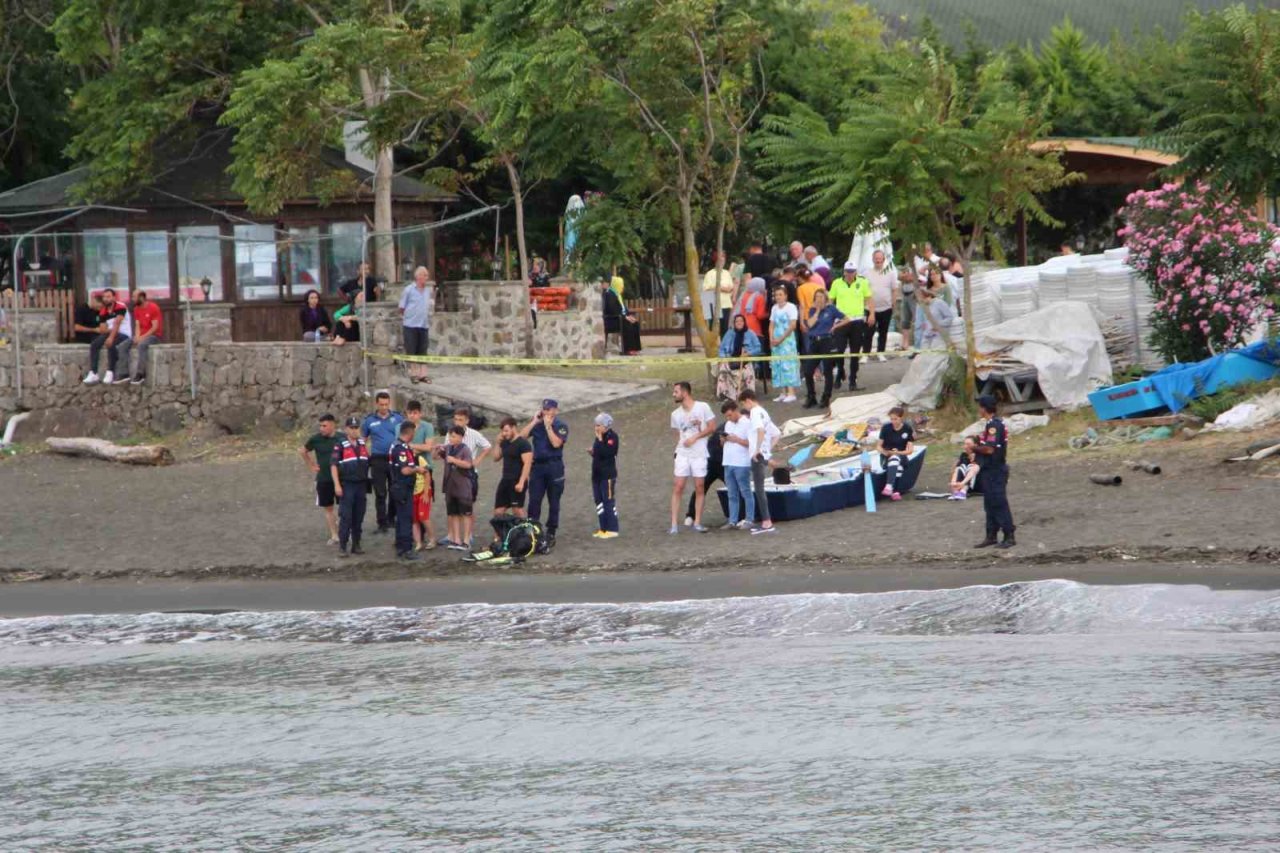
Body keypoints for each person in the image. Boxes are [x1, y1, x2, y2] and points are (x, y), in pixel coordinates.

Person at [669, 381, 717, 534]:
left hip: (699, 453)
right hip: (683, 453)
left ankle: (697, 522)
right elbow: (679, 435)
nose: (674, 394)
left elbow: (712, 427)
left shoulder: (703, 407)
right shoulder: (675, 414)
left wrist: (696, 437)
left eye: (676, 391)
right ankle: (674, 524)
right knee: (678, 486)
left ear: (685, 392)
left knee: (699, 487)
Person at [521, 399, 569, 542]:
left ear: (555, 410)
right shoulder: (537, 424)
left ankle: (551, 531)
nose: (546, 412)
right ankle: (532, 528)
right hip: (538, 467)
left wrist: (548, 427)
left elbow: (556, 443)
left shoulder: (561, 426)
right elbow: (521, 437)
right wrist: (534, 422)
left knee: (554, 500)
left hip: (554, 465)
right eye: (545, 409)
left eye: (549, 409)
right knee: (534, 499)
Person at [973, 395, 1016, 549]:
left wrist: (973, 448)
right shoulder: (991, 424)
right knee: (989, 503)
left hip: (995, 469)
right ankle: (991, 534)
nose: (978, 409)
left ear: (985, 408)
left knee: (998, 502)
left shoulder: (994, 425)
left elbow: (990, 449)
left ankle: (1009, 534)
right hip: (989, 469)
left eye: (980, 406)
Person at [361, 391, 405, 535]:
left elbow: (405, 436)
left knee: (394, 490)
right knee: (380, 492)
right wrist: (365, 455)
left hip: (394, 458)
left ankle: (392, 518)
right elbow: (363, 439)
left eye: (386, 404)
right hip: (377, 459)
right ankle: (382, 523)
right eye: (381, 404)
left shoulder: (398, 418)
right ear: (376, 404)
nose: (384, 407)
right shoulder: (369, 421)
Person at [453, 407, 494, 548]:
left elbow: (488, 446)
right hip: (454, 475)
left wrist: (478, 459)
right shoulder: (451, 434)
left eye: (461, 420)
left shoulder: (474, 434)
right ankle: (455, 537)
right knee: (455, 507)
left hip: (469, 475)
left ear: (467, 421)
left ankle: (468, 536)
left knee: (468, 507)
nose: (457, 422)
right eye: (456, 419)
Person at [738, 389, 777, 534]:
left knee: (759, 488)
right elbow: (776, 433)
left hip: (757, 455)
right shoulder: (763, 412)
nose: (745, 408)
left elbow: (760, 430)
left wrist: (758, 449)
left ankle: (767, 521)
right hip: (763, 454)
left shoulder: (754, 412)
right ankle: (766, 520)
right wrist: (767, 449)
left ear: (748, 400)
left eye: (744, 404)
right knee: (759, 487)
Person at [828, 262, 872, 391]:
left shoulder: (862, 282)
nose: (850, 274)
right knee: (839, 350)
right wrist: (831, 318)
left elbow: (869, 299)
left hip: (857, 320)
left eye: (852, 271)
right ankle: (840, 373)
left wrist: (872, 314)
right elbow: (830, 301)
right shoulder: (836, 283)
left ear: (856, 272)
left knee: (855, 352)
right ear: (844, 271)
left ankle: (853, 379)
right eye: (848, 271)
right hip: (841, 321)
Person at [801, 290, 849, 409]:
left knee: (827, 371)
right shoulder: (812, 310)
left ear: (825, 298)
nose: (818, 299)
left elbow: (847, 319)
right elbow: (810, 325)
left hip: (827, 341)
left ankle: (826, 397)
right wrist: (817, 311)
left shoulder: (831, 309)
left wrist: (835, 326)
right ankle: (811, 396)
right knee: (808, 371)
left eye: (821, 297)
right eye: (816, 297)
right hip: (814, 342)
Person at [330, 415, 370, 557]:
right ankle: (342, 546)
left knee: (358, 516)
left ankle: (356, 545)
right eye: (351, 428)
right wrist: (337, 485)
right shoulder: (340, 445)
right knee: (346, 516)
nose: (354, 430)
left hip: (361, 485)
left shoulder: (362, 444)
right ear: (346, 429)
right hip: (347, 485)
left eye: (356, 427)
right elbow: (333, 466)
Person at [299, 413, 341, 545]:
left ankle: (346, 532)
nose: (321, 428)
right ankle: (334, 535)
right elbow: (302, 451)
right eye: (320, 426)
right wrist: (311, 465)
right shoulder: (316, 439)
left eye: (324, 426)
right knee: (328, 509)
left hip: (341, 479)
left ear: (333, 425)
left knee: (345, 507)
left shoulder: (342, 438)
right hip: (324, 479)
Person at [404, 401, 437, 550]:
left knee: (423, 514)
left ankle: (431, 539)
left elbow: (428, 447)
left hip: (424, 474)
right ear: (406, 413)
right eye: (410, 412)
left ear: (420, 413)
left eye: (415, 412)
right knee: (414, 516)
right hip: (408, 474)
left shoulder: (427, 427)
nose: (413, 415)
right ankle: (418, 541)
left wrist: (411, 447)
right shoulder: (401, 426)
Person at [82, 288, 132, 385]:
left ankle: (110, 372)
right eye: (104, 297)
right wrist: (109, 333)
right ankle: (93, 372)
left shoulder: (120, 306)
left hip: (124, 334)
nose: (106, 299)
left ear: (114, 297)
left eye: (108, 297)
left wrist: (110, 337)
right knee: (95, 344)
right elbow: (102, 329)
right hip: (111, 332)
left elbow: (117, 324)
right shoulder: (103, 311)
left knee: (111, 344)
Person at [388, 421, 423, 561]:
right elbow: (405, 470)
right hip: (402, 486)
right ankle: (406, 549)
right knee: (406, 517)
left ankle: (400, 546)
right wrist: (417, 469)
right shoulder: (401, 448)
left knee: (401, 517)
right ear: (410, 432)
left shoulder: (398, 445)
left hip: (399, 486)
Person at [437, 425, 476, 551]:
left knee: (465, 514)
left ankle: (466, 541)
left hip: (463, 486)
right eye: (450, 436)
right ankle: (456, 539)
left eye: (453, 436)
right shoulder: (448, 448)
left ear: (461, 437)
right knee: (453, 514)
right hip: (450, 486)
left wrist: (454, 460)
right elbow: (435, 456)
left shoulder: (465, 450)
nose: (451, 439)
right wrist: (436, 448)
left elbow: (468, 464)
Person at [719, 401, 755, 530]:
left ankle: (750, 518)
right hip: (728, 461)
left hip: (742, 462)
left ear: (735, 410)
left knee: (745, 491)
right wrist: (723, 440)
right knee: (731, 493)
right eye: (726, 416)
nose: (728, 418)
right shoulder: (728, 424)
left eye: (730, 415)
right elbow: (724, 444)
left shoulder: (747, 423)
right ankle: (732, 520)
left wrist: (736, 440)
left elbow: (751, 443)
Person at [716, 313, 762, 402]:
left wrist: (748, 353)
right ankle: (726, 395)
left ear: (744, 322)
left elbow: (758, 347)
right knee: (723, 370)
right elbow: (721, 349)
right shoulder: (729, 333)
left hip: (745, 360)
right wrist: (723, 358)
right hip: (730, 359)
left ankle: (747, 395)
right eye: (737, 321)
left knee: (748, 372)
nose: (739, 323)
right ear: (734, 323)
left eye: (741, 321)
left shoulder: (750, 333)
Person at [494, 417, 533, 519]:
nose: (504, 433)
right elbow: (496, 457)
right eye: (502, 431)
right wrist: (497, 443)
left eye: (506, 431)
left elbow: (527, 464)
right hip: (505, 479)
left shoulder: (523, 444)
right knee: (499, 511)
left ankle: (525, 532)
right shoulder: (505, 442)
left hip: (517, 480)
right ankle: (499, 535)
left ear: (514, 428)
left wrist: (521, 482)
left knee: (517, 510)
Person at [399, 266, 432, 383]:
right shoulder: (408, 290)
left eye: (427, 275)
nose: (427, 278)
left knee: (423, 349)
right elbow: (402, 307)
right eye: (425, 275)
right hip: (410, 325)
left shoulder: (428, 291)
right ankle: (414, 374)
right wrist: (409, 317)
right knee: (411, 349)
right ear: (418, 276)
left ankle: (423, 375)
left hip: (423, 324)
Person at [590, 413, 620, 538]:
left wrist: (600, 441)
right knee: (599, 502)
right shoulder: (598, 437)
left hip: (607, 475)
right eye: (596, 425)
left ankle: (613, 529)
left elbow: (608, 452)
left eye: (599, 425)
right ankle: (603, 528)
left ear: (606, 425)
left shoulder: (612, 437)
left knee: (608, 501)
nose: (596, 428)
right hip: (596, 475)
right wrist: (592, 452)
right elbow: (598, 452)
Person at [769, 285, 800, 403]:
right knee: (778, 364)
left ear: (786, 296)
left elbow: (793, 325)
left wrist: (781, 338)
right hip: (776, 339)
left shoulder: (791, 307)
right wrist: (772, 338)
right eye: (776, 295)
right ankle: (782, 391)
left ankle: (791, 392)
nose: (778, 297)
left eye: (780, 295)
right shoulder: (774, 308)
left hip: (787, 340)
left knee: (788, 364)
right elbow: (771, 324)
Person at [877, 406, 915, 502]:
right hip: (886, 457)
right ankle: (895, 492)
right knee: (898, 465)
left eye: (896, 419)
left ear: (901, 418)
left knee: (895, 458)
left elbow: (910, 451)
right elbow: (878, 446)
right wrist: (885, 452)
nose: (893, 421)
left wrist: (897, 452)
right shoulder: (886, 428)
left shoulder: (907, 428)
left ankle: (889, 486)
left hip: (901, 456)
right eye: (891, 419)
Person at [864, 250, 897, 361]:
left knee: (883, 332)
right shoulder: (867, 273)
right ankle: (865, 354)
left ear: (883, 259)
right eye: (876, 258)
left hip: (886, 308)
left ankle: (881, 353)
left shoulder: (891, 273)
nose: (878, 260)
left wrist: (893, 303)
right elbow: (864, 291)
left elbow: (894, 289)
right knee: (868, 332)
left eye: (880, 258)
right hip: (870, 309)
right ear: (873, 259)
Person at [126, 290, 162, 385]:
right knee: (123, 345)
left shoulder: (153, 307)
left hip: (153, 336)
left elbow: (155, 327)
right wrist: (137, 337)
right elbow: (137, 325)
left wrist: (142, 338)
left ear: (141, 297)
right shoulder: (136, 309)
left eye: (134, 296)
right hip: (141, 335)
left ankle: (140, 373)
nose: (132, 299)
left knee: (142, 345)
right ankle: (123, 374)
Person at [602, 278, 642, 355]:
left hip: (619, 318)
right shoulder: (609, 294)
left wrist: (628, 315)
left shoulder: (617, 294)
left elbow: (623, 308)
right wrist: (625, 317)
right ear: (616, 285)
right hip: (612, 320)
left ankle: (635, 348)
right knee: (628, 324)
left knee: (634, 323)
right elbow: (612, 309)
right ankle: (627, 350)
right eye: (621, 285)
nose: (622, 287)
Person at [702, 250, 736, 334]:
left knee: (724, 329)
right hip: (713, 304)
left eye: (723, 260)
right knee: (712, 329)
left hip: (725, 304)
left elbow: (731, 287)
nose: (722, 262)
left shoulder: (727, 273)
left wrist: (719, 288)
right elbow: (706, 289)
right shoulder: (709, 274)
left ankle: (724, 346)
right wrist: (720, 288)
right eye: (720, 260)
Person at [917, 287, 956, 351]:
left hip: (939, 335)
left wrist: (938, 325)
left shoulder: (939, 303)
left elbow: (949, 318)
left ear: (926, 296)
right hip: (928, 334)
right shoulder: (926, 306)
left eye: (921, 301)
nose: (921, 303)